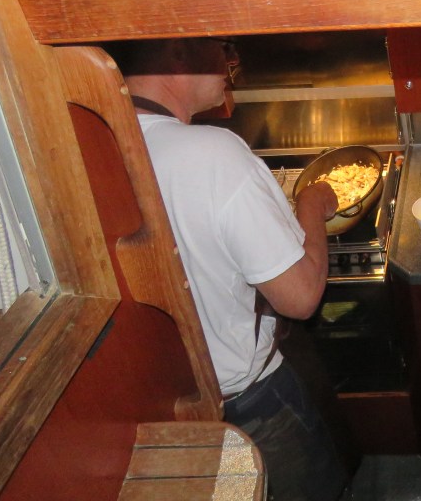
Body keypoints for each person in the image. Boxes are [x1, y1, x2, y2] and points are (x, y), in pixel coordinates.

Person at [117, 37, 351, 501]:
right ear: (177, 51)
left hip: (159, 414)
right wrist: (311, 203)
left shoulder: (93, 142)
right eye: (221, 45)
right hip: (251, 404)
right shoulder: (213, 153)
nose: (231, 60)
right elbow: (301, 296)